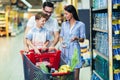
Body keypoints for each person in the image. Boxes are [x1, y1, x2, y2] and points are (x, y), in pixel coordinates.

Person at [60, 5, 86, 80]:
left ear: (72, 13)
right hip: (65, 51)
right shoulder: (64, 24)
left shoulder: (81, 25)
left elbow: (82, 39)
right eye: (64, 14)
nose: (65, 16)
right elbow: (61, 36)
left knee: (75, 77)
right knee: (64, 74)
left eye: (66, 14)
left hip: (75, 51)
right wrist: (62, 43)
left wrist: (76, 38)